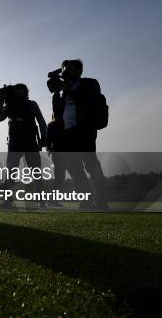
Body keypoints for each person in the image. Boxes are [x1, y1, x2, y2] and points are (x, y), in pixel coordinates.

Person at [50, 59, 108, 210]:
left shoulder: (89, 83)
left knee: (90, 164)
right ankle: (87, 200)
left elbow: (88, 101)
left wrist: (68, 88)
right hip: (67, 132)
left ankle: (101, 201)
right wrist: (57, 91)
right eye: (64, 69)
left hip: (84, 128)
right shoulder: (64, 90)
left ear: (79, 70)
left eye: (69, 68)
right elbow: (57, 112)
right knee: (74, 168)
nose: (66, 71)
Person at [0, 83, 47, 209]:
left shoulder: (32, 104)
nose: (17, 92)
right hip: (14, 143)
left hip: (30, 142)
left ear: (26, 92)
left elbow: (41, 122)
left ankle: (41, 201)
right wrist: (0, 104)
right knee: (11, 172)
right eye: (15, 90)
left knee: (36, 172)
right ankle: (8, 201)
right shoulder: (10, 105)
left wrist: (44, 138)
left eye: (20, 90)